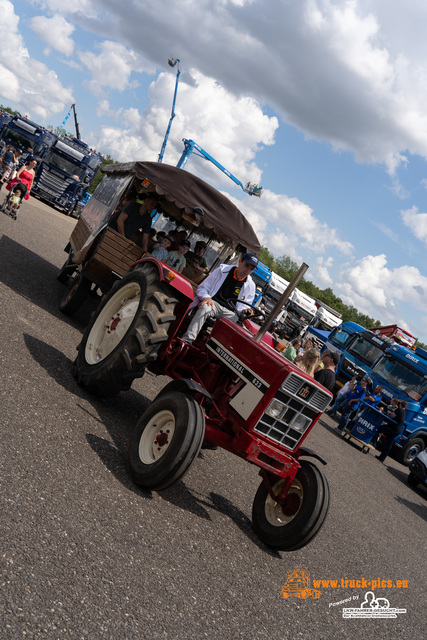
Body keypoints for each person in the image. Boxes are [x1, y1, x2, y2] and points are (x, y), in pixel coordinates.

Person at [181, 253, 258, 345]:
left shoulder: (251, 286)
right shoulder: (222, 270)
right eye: (246, 266)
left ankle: (216, 350)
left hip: (230, 312)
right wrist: (207, 297)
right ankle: (187, 341)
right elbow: (203, 288)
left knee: (239, 328)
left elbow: (243, 306)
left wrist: (246, 311)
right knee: (205, 308)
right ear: (240, 261)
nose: (247, 270)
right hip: (213, 304)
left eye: (251, 269)